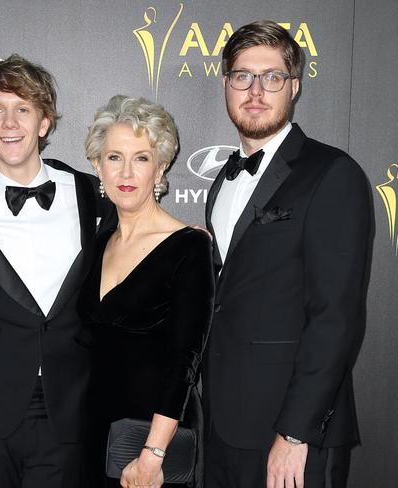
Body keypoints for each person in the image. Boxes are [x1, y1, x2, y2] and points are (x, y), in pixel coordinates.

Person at [0, 54, 116, 488]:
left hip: (71, 408)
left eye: (23, 109)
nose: (9, 123)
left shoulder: (92, 193)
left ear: (45, 122)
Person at [203, 20, 373, 488]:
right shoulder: (221, 184)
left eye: (272, 77)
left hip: (293, 436)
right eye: (242, 76)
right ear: (226, 84)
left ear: (294, 86)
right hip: (221, 428)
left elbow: (335, 316)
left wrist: (295, 433)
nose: (256, 90)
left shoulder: (332, 174)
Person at [78, 95, 214, 488]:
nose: (126, 171)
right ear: (97, 167)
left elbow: (184, 361)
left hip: (154, 439)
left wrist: (153, 455)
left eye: (141, 158)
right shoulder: (99, 241)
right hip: (96, 433)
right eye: (114, 157)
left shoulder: (189, 246)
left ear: (161, 168)